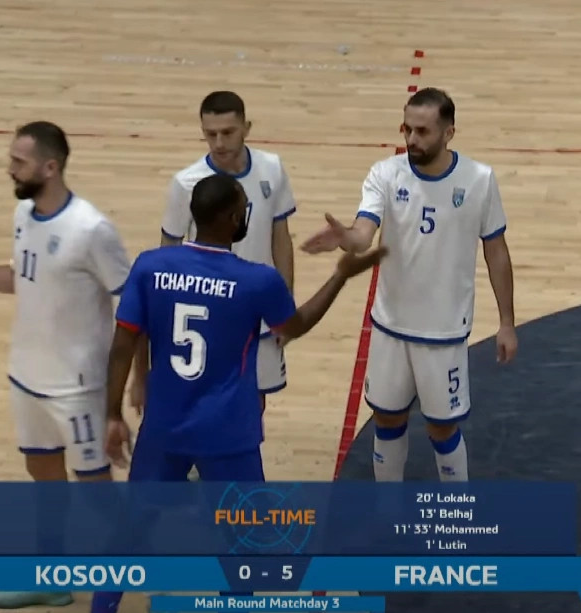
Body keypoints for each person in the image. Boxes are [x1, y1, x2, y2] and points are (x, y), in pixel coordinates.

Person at [90, 173, 382, 613]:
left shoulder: (150, 266)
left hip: (164, 426)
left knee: (132, 527)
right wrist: (340, 275)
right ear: (230, 218)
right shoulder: (255, 281)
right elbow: (295, 326)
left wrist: (112, 414)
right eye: (243, 207)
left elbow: (122, 346)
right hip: (228, 431)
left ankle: (102, 606)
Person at [0, 121, 131, 610]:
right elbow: (22, 276)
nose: (10, 168)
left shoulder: (91, 229)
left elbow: (133, 305)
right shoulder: (23, 214)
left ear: (50, 167)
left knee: (95, 490)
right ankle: (52, 577)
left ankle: (140, 572)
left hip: (77, 386)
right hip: (27, 376)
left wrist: (131, 386)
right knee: (43, 474)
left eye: (19, 161)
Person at [300, 87, 518, 483]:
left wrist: (506, 322)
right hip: (390, 326)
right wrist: (345, 238)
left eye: (422, 131)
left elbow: (496, 251)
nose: (412, 139)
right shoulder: (385, 173)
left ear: (449, 133)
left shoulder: (479, 180)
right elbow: (363, 234)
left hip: (444, 332)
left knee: (442, 429)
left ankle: (455, 509)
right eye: (407, 129)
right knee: (386, 418)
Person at [142, 90, 298, 412]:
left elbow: (281, 239)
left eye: (227, 132)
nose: (219, 143)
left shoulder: (272, 168)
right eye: (210, 134)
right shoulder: (186, 183)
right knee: (204, 400)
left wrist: (284, 308)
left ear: (247, 128)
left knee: (254, 403)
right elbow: (169, 249)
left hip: (257, 308)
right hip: (207, 312)